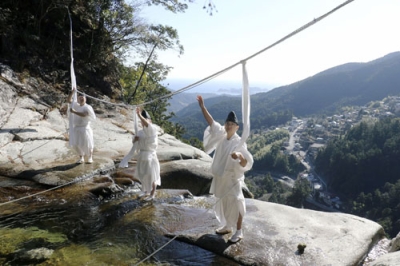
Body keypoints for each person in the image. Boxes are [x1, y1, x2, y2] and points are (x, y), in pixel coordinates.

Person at [197, 95, 253, 243]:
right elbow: (211, 122)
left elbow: (246, 163)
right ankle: (228, 226)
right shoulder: (222, 134)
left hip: (232, 179)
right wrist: (203, 107)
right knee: (223, 202)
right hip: (220, 177)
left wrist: (239, 156)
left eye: (232, 124)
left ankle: (239, 231)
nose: (228, 126)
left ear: (237, 127)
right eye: (227, 123)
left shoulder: (239, 142)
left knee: (236, 201)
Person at [133, 107, 161, 201]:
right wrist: (135, 140)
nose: (143, 122)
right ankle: (145, 191)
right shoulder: (140, 132)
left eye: (145, 119)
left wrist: (139, 115)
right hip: (142, 155)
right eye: (142, 120)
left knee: (152, 175)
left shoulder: (153, 129)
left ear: (150, 120)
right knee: (142, 174)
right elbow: (135, 145)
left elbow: (146, 124)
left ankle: (152, 194)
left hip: (150, 156)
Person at [67, 88, 96, 163]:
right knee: (76, 144)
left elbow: (84, 114)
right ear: (78, 99)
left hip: (85, 128)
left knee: (88, 143)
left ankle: (90, 157)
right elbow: (69, 100)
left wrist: (74, 112)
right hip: (76, 128)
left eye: (83, 98)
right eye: (80, 98)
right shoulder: (76, 105)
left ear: (85, 99)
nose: (81, 99)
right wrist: (72, 92)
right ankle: (81, 157)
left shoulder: (87, 107)